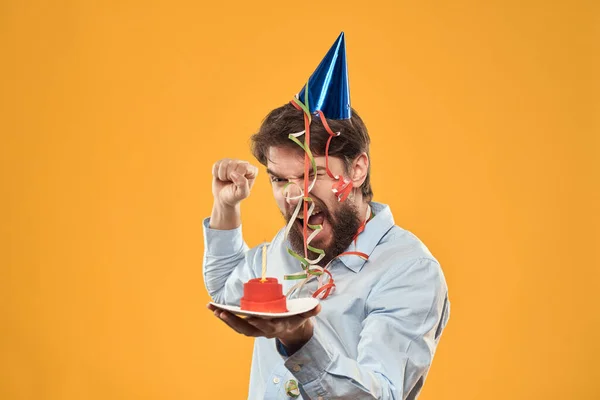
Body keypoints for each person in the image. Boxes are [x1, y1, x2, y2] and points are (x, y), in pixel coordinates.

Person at [203, 33, 450, 399]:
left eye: (310, 175)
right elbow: (227, 290)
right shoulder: (288, 250)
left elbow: (378, 393)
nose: (293, 196)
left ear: (357, 169)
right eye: (280, 179)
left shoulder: (409, 270)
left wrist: (300, 339)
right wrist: (226, 206)